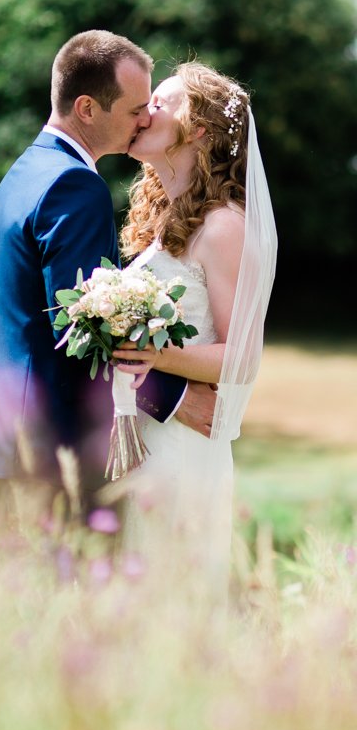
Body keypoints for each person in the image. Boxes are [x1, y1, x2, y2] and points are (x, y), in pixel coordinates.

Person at [0, 31, 215, 538]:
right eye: (135, 108)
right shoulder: (76, 187)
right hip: (52, 447)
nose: (145, 119)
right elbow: (85, 329)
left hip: (3, 438)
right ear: (87, 108)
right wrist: (176, 399)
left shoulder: (24, 172)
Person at [110, 61, 277, 591]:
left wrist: (150, 354)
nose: (146, 108)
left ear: (199, 128)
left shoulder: (224, 226)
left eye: (163, 100)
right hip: (140, 438)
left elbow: (242, 357)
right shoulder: (162, 218)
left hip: (181, 451)